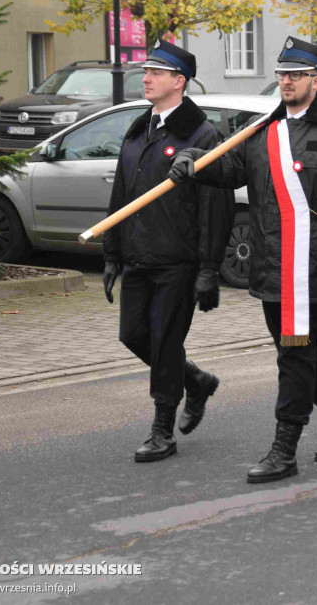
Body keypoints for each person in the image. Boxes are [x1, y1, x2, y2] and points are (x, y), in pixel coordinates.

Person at [168, 36, 317, 483]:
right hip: (270, 268)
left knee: (294, 356)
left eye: (296, 74)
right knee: (295, 349)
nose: (286, 81)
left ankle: (285, 447)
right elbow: (230, 169)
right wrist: (193, 161)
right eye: (282, 74)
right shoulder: (264, 132)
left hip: (314, 271)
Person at [102, 41, 234, 462]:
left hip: (179, 261)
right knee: (133, 335)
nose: (147, 78)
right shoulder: (140, 128)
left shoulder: (201, 134)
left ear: (179, 82)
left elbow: (216, 206)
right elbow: (123, 192)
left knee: (164, 343)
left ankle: (162, 429)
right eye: (146, 72)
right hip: (140, 255)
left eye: (156, 73)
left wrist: (209, 268)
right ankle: (195, 381)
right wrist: (112, 254)